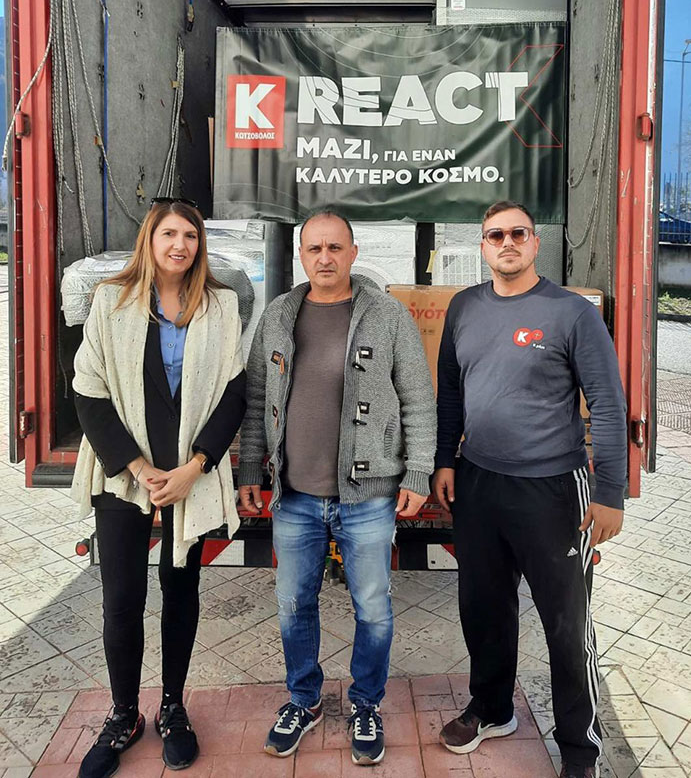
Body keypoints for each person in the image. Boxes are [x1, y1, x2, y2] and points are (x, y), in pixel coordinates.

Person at [433, 200, 627, 778]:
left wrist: (610, 492)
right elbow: (450, 392)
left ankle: (580, 750)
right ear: (483, 246)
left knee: (566, 626)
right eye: (495, 235)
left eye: (518, 233)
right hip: (479, 483)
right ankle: (492, 709)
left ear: (536, 243)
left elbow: (607, 404)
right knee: (484, 608)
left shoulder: (571, 313)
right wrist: (445, 462)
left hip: (553, 490)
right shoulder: (464, 307)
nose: (507, 243)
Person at [239, 209, 436, 766]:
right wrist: (250, 468)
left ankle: (366, 703)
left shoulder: (387, 315)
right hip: (295, 496)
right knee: (292, 604)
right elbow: (257, 399)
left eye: (334, 247)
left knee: (372, 608)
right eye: (314, 248)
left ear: (353, 252)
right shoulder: (279, 314)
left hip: (368, 497)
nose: (324, 258)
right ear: (301, 255)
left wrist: (418, 471)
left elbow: (418, 398)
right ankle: (303, 699)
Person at [70, 198, 247, 778]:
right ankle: (124, 714)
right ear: (149, 240)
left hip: (188, 476)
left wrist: (197, 465)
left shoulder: (220, 305)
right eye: (169, 234)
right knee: (122, 598)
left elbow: (234, 393)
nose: (180, 245)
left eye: (190, 236)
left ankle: (172, 707)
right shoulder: (112, 302)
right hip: (125, 474)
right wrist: (136, 466)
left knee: (180, 589)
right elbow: (88, 390)